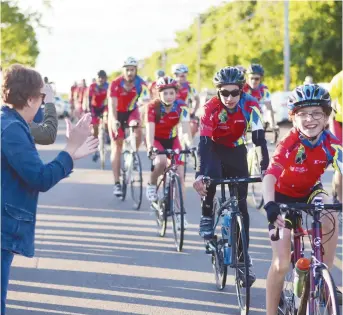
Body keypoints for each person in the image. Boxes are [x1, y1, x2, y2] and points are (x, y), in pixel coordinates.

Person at [1, 64, 99, 315]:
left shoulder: (11, 123)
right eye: (43, 98)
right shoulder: (11, 129)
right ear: (31, 98)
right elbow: (40, 178)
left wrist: (70, 155)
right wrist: (69, 148)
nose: (43, 104)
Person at [262, 84, 342, 314]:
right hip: (280, 196)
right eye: (302, 114)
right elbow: (270, 176)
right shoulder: (289, 143)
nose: (310, 119)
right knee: (281, 263)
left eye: (316, 113)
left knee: (330, 210)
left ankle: (322, 275)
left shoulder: (332, 143)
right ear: (293, 118)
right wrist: (270, 204)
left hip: (310, 191)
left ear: (326, 117)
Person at [193, 66, 269, 287]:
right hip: (214, 149)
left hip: (236, 150)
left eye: (234, 92)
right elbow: (204, 144)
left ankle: (243, 261)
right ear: (218, 91)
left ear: (242, 90)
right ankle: (207, 214)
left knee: (241, 207)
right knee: (212, 178)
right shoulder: (210, 108)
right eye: (224, 92)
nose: (229, 98)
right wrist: (200, 174)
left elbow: (259, 139)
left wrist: (265, 167)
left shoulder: (251, 104)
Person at [145, 76, 192, 229]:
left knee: (179, 175)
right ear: (159, 94)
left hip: (173, 140)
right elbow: (150, 131)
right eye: (165, 93)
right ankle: (152, 184)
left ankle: (180, 214)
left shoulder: (182, 107)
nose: (169, 96)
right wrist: (151, 147)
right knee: (161, 161)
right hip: (157, 140)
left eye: (171, 93)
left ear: (176, 93)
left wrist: (190, 146)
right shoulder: (152, 107)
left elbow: (185, 130)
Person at [108, 57, 150, 196]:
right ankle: (116, 183)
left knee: (138, 130)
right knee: (117, 145)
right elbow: (112, 105)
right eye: (127, 69)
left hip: (131, 111)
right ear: (123, 70)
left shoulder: (141, 83)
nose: (130, 72)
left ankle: (133, 153)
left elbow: (145, 104)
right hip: (117, 114)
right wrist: (114, 120)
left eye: (132, 69)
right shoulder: (115, 84)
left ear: (136, 70)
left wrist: (143, 121)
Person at [243, 64, 277, 134]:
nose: (253, 81)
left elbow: (269, 108)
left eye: (256, 79)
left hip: (257, 115)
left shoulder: (264, 90)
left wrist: (273, 124)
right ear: (247, 78)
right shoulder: (242, 88)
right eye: (251, 78)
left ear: (261, 79)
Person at [172, 64, 200, 139]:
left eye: (185, 75)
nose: (184, 77)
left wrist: (193, 112)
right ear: (175, 75)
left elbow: (197, 99)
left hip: (184, 111)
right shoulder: (170, 85)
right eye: (182, 76)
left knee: (193, 125)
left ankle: (188, 146)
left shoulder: (189, 86)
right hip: (172, 111)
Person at [88, 70, 109, 162]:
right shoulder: (92, 86)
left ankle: (108, 135)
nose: (101, 79)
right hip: (94, 108)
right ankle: (96, 150)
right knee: (95, 129)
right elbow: (88, 100)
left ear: (105, 79)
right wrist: (89, 111)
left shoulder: (108, 86)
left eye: (102, 78)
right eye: (99, 77)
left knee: (106, 120)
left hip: (104, 107)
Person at [329, 70, 342, 203]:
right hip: (339, 122)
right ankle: (340, 200)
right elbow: (328, 100)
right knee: (341, 163)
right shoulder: (339, 78)